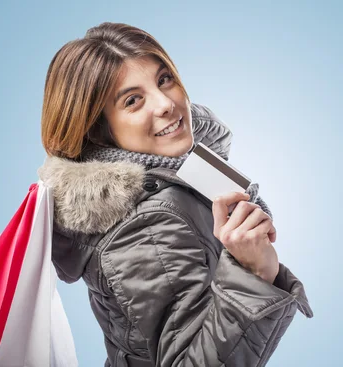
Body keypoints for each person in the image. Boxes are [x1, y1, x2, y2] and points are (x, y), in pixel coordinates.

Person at [36, 22, 314, 367]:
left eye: (164, 79)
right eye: (133, 101)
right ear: (98, 130)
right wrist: (253, 274)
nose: (166, 103)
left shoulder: (175, 176)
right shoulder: (146, 224)